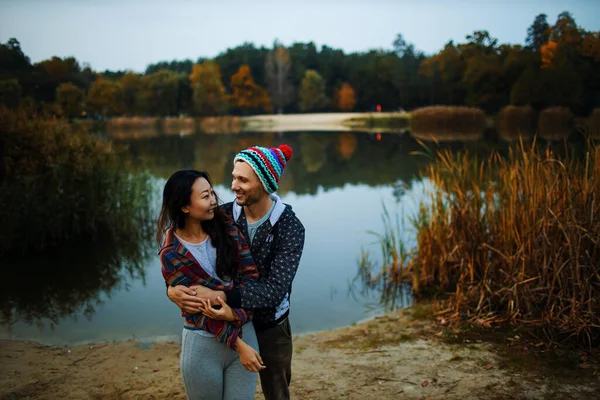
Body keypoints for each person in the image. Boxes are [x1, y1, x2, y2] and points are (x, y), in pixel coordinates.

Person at [168, 144, 305, 400]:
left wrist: (217, 295)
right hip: (230, 323)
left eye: (243, 179)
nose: (233, 185)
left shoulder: (290, 228)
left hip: (270, 324)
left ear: (264, 183)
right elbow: (183, 239)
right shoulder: (223, 215)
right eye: (233, 176)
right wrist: (172, 289)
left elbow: (274, 291)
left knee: (277, 392)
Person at [158, 170, 265, 400]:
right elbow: (196, 310)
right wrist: (238, 345)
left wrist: (230, 310)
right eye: (205, 196)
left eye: (212, 193)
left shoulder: (229, 229)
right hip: (203, 345)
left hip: (245, 334)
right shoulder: (171, 254)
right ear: (185, 207)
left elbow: (251, 280)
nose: (214, 200)